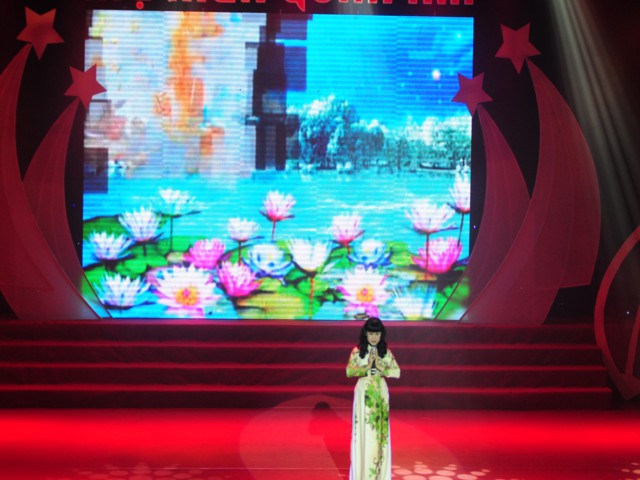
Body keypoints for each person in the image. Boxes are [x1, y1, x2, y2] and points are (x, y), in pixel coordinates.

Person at [346, 316, 401, 480]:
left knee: (379, 436)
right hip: (363, 393)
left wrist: (382, 367)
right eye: (371, 333)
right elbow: (349, 371)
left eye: (377, 334)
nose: (374, 337)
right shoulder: (358, 351)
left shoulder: (385, 352)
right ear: (366, 334)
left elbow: (397, 372)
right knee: (363, 434)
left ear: (381, 334)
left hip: (380, 394)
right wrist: (367, 366)